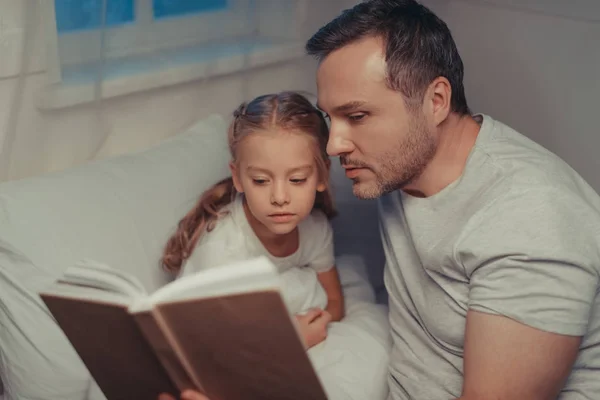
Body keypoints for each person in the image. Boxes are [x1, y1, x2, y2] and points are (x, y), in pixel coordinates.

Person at [160, 0, 600, 399]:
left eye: (356, 116)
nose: (334, 147)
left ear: (436, 101)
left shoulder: (532, 220)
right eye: (329, 119)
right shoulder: (399, 168)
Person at [161, 91, 345, 350]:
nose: (280, 197)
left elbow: (334, 303)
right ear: (238, 178)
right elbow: (210, 339)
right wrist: (289, 338)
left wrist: (316, 321)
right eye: (260, 181)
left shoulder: (315, 229)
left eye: (297, 180)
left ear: (322, 175)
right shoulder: (221, 250)